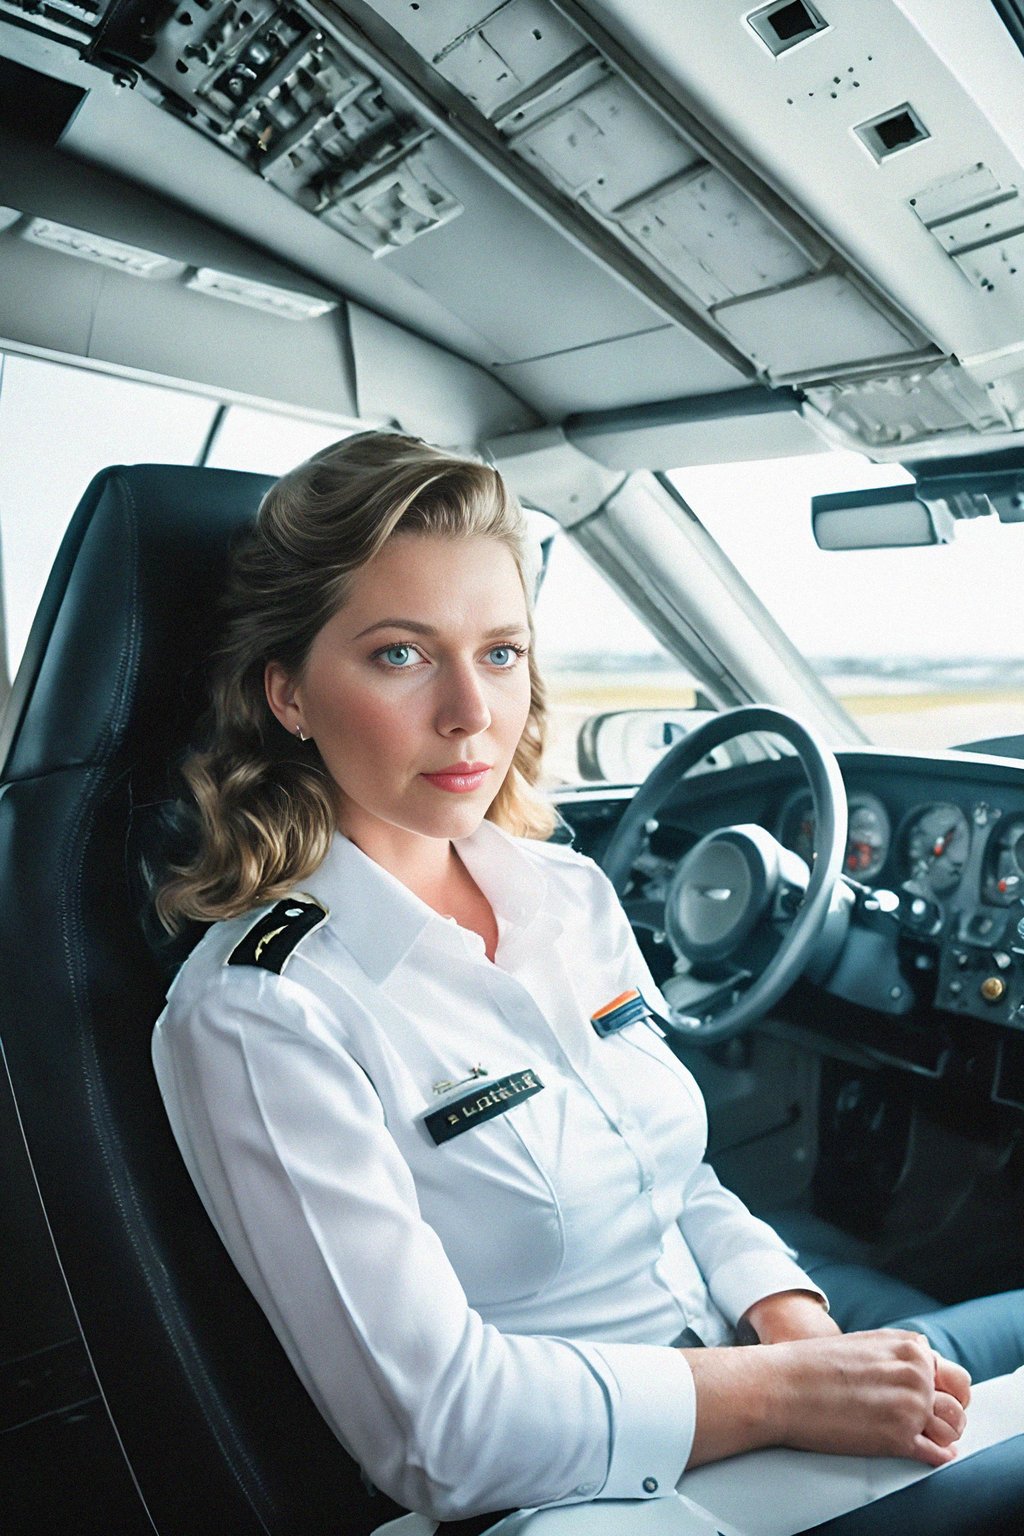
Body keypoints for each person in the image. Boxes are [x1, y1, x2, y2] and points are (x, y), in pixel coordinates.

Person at [152, 431, 1021, 1528]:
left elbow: (675, 1181)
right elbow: (440, 1433)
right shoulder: (259, 1011)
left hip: (745, 1344)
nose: (472, 711)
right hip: (604, 1487)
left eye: (501, 651)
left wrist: (790, 1315)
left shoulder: (563, 891)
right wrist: (782, 1393)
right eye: (399, 655)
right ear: (287, 695)